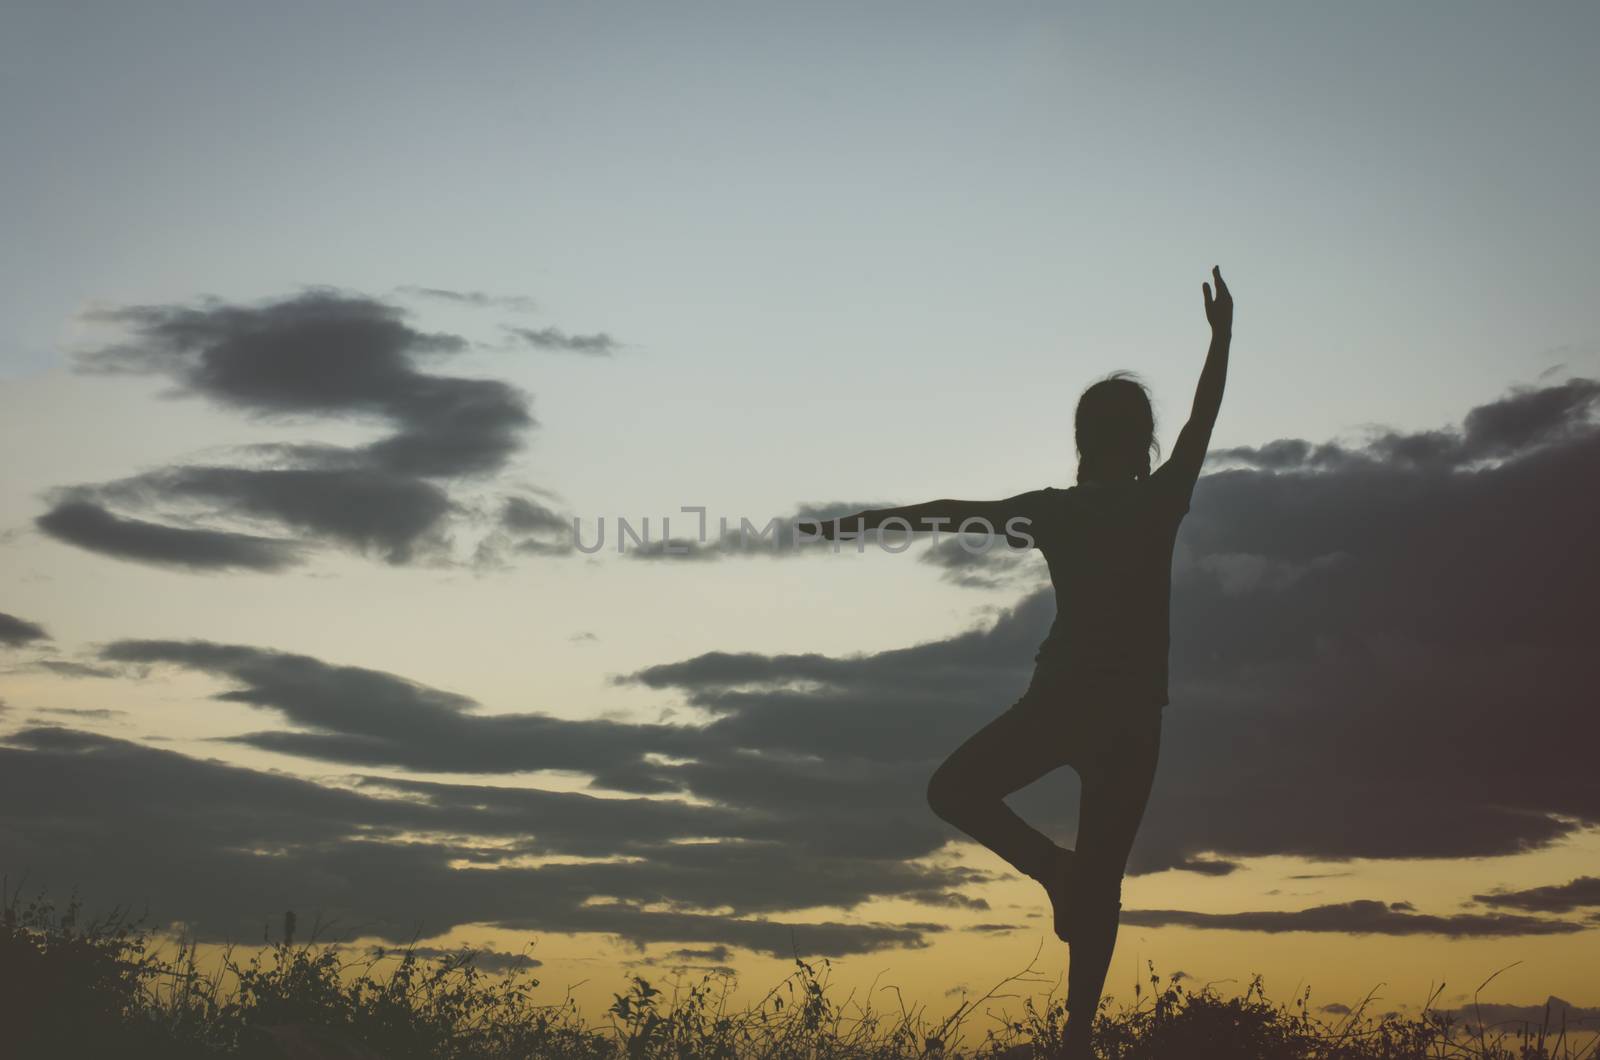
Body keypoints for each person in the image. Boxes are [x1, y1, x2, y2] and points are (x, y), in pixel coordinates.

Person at [813, 267, 1232, 1058]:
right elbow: (1202, 423)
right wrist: (1221, 338)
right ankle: (1076, 1034)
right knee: (1100, 876)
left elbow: (943, 514)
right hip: (1132, 718)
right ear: (1140, 444)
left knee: (956, 791)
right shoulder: (1161, 497)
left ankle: (1050, 876)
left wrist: (863, 522)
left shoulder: (1056, 508)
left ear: (1083, 444)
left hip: (1063, 701)